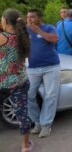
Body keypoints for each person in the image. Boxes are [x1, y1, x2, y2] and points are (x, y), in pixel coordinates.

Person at [1, 9, 33, 151]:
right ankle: (25, 146)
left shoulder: (2, 37)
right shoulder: (24, 37)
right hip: (20, 80)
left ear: (6, 21)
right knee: (22, 112)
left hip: (3, 82)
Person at [26, 9, 60, 138]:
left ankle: (46, 125)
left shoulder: (49, 27)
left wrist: (39, 31)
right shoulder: (25, 30)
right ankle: (37, 122)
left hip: (51, 66)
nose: (29, 19)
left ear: (39, 18)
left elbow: (55, 39)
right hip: (32, 68)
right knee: (29, 94)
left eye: (32, 17)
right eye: (28, 17)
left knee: (50, 95)